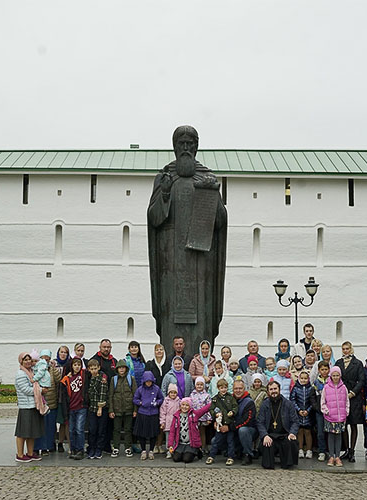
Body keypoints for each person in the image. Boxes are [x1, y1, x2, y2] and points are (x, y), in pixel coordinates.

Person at [147, 126, 227, 359]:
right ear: (174, 147)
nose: (185, 148)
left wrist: (213, 199)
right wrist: (163, 194)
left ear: (196, 147)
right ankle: (173, 363)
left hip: (200, 264)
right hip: (171, 262)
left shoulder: (206, 178)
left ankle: (201, 365)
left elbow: (220, 222)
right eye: (181, 143)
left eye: (190, 143)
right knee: (171, 314)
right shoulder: (165, 178)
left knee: (202, 316)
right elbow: (154, 219)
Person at [256, 380, 300, 469]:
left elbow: (295, 421)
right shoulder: (265, 404)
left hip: (285, 435)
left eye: (275, 389)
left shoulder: (288, 404)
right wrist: (265, 435)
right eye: (271, 389)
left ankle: (287, 463)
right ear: (268, 392)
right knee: (267, 464)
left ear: (279, 390)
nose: (273, 391)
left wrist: (292, 433)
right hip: (270, 435)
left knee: (291, 442)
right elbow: (260, 422)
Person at [335, 341, 365, 462]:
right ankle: (346, 450)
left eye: (347, 348)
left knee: (353, 424)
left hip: (354, 397)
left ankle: (352, 450)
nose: (346, 351)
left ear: (351, 349)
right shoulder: (338, 362)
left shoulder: (357, 363)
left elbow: (361, 380)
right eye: (344, 349)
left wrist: (353, 392)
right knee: (344, 424)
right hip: (342, 396)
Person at [14, 352, 45, 462]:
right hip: (26, 407)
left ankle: (30, 453)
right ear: (21, 361)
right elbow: (26, 390)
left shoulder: (31, 372)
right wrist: (41, 390)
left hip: (33, 405)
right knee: (22, 432)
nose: (28, 362)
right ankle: (20, 454)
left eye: (29, 359)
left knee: (32, 432)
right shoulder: (21, 374)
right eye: (25, 360)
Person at [34, 349, 62, 456]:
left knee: (50, 427)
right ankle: (37, 447)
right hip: (39, 402)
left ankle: (48, 446)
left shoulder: (52, 370)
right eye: (43, 358)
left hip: (51, 403)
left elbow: (59, 380)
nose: (45, 360)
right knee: (39, 426)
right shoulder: (36, 369)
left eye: (47, 358)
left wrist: (55, 369)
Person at [167, 397, 213, 463]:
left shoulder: (194, 414)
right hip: (180, 443)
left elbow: (204, 409)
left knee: (187, 459)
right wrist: (170, 445)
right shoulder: (176, 416)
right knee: (176, 459)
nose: (184, 407)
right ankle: (183, 452)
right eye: (183, 405)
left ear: (190, 406)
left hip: (191, 443)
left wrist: (214, 401)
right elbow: (172, 432)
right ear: (180, 405)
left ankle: (197, 450)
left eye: (187, 405)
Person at [108, 359, 137, 458]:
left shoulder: (131, 379)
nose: (121, 369)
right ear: (117, 369)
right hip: (117, 409)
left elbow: (135, 395)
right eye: (119, 368)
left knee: (128, 429)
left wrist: (135, 410)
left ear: (126, 369)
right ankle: (116, 447)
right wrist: (111, 410)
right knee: (116, 430)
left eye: (123, 368)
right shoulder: (114, 380)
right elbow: (111, 395)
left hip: (129, 409)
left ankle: (128, 447)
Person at [321, 366, 349, 467]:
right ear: (331, 376)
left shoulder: (343, 387)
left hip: (340, 416)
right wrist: (326, 411)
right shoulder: (326, 387)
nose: (336, 377)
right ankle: (331, 456)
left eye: (337, 375)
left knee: (338, 436)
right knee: (331, 436)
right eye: (334, 375)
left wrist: (346, 411)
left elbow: (346, 401)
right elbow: (323, 401)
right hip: (330, 416)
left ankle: (337, 456)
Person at [60, 357, 87, 460]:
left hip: (81, 406)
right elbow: (63, 391)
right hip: (71, 407)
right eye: (75, 365)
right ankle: (73, 449)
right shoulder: (67, 379)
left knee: (79, 429)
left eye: (79, 365)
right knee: (71, 430)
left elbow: (95, 371)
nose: (77, 367)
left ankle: (80, 450)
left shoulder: (84, 375)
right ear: (71, 366)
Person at [133, 371, 164, 460]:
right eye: (147, 381)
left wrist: (157, 403)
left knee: (153, 434)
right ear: (144, 381)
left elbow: (161, 398)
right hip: (142, 413)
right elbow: (135, 399)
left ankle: (151, 450)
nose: (148, 383)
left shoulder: (156, 389)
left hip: (153, 413)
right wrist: (140, 402)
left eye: (150, 381)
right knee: (141, 433)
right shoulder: (140, 389)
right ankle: (143, 450)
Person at [206, 378, 237, 465]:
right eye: (221, 388)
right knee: (216, 441)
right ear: (218, 388)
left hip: (229, 423)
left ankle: (230, 457)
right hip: (220, 423)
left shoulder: (231, 398)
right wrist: (215, 415)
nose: (223, 389)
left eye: (225, 387)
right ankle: (211, 456)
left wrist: (233, 412)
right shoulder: (215, 399)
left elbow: (235, 406)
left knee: (230, 441)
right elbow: (211, 409)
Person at [231, 379, 258, 465]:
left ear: (244, 389)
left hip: (249, 430)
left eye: (240, 388)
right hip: (234, 428)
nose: (238, 391)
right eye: (236, 388)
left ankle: (248, 454)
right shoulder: (230, 400)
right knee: (214, 441)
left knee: (243, 430)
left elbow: (247, 421)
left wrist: (230, 427)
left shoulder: (249, 402)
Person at [309, 360, 330, 462]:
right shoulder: (316, 382)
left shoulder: (331, 381)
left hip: (330, 411)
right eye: (322, 369)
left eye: (326, 369)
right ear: (319, 370)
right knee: (320, 432)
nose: (324, 371)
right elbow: (312, 397)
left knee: (330, 432)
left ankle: (330, 451)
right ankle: (321, 451)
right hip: (319, 411)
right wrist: (317, 408)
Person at [290, 370, 314, 459]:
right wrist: (299, 410)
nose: (303, 380)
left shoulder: (311, 388)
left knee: (308, 432)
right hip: (298, 413)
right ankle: (300, 449)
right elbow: (293, 400)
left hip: (308, 413)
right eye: (302, 378)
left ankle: (309, 450)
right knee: (299, 431)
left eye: (305, 378)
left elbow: (312, 401)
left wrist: (308, 410)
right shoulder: (296, 388)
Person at [55, 345, 72, 453]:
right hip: (58, 397)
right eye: (61, 352)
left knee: (67, 422)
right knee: (62, 422)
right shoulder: (54, 364)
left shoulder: (70, 364)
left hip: (68, 397)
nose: (63, 354)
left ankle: (70, 445)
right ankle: (60, 442)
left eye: (65, 352)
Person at [189, 376, 213, 454]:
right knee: (195, 432)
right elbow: (190, 405)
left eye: (201, 385)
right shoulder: (192, 394)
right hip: (194, 417)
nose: (199, 386)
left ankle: (203, 446)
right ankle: (196, 447)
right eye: (198, 384)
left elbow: (209, 407)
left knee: (202, 432)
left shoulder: (207, 395)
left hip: (203, 417)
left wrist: (209, 418)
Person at [159, 384, 182, 458]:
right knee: (169, 438)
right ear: (168, 393)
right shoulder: (165, 401)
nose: (173, 394)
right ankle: (169, 451)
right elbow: (162, 412)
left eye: (174, 393)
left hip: (176, 422)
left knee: (176, 438)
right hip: (168, 422)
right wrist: (162, 422)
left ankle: (176, 450)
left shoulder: (179, 401)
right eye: (171, 392)